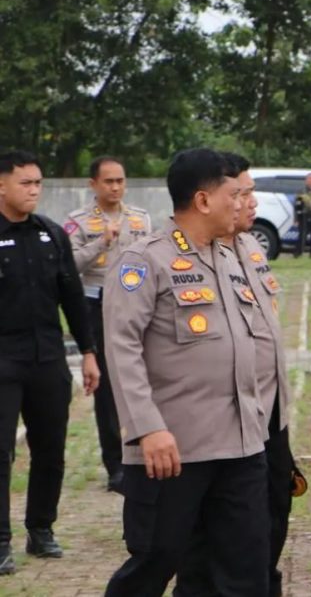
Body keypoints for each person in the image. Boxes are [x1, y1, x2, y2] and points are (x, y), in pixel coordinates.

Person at [103, 148, 268, 597]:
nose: (242, 203)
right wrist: (147, 428)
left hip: (241, 446)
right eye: (233, 194)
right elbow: (122, 349)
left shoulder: (232, 258)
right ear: (202, 200)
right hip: (174, 448)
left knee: (246, 569)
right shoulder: (144, 261)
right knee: (156, 561)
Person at [173, 153, 293, 597]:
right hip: (227, 415)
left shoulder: (252, 247)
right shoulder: (202, 253)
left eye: (249, 193)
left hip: (270, 409)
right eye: (239, 193)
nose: (250, 202)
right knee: (219, 532)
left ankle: (265, 581)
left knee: (272, 510)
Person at [0, 150, 99, 575]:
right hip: (3, 362)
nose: (34, 190)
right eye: (26, 183)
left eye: (38, 183)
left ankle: (41, 529)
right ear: (2, 185)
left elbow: (73, 299)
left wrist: (89, 352)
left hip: (48, 360)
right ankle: (0, 542)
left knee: (51, 452)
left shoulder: (52, 235)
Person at [64, 155, 152, 493]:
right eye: (108, 181)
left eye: (120, 180)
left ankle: (143, 452)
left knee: (141, 378)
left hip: (135, 305)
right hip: (96, 304)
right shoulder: (78, 222)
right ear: (93, 185)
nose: (115, 187)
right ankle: (115, 465)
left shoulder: (140, 219)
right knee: (107, 388)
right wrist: (102, 242)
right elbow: (68, 266)